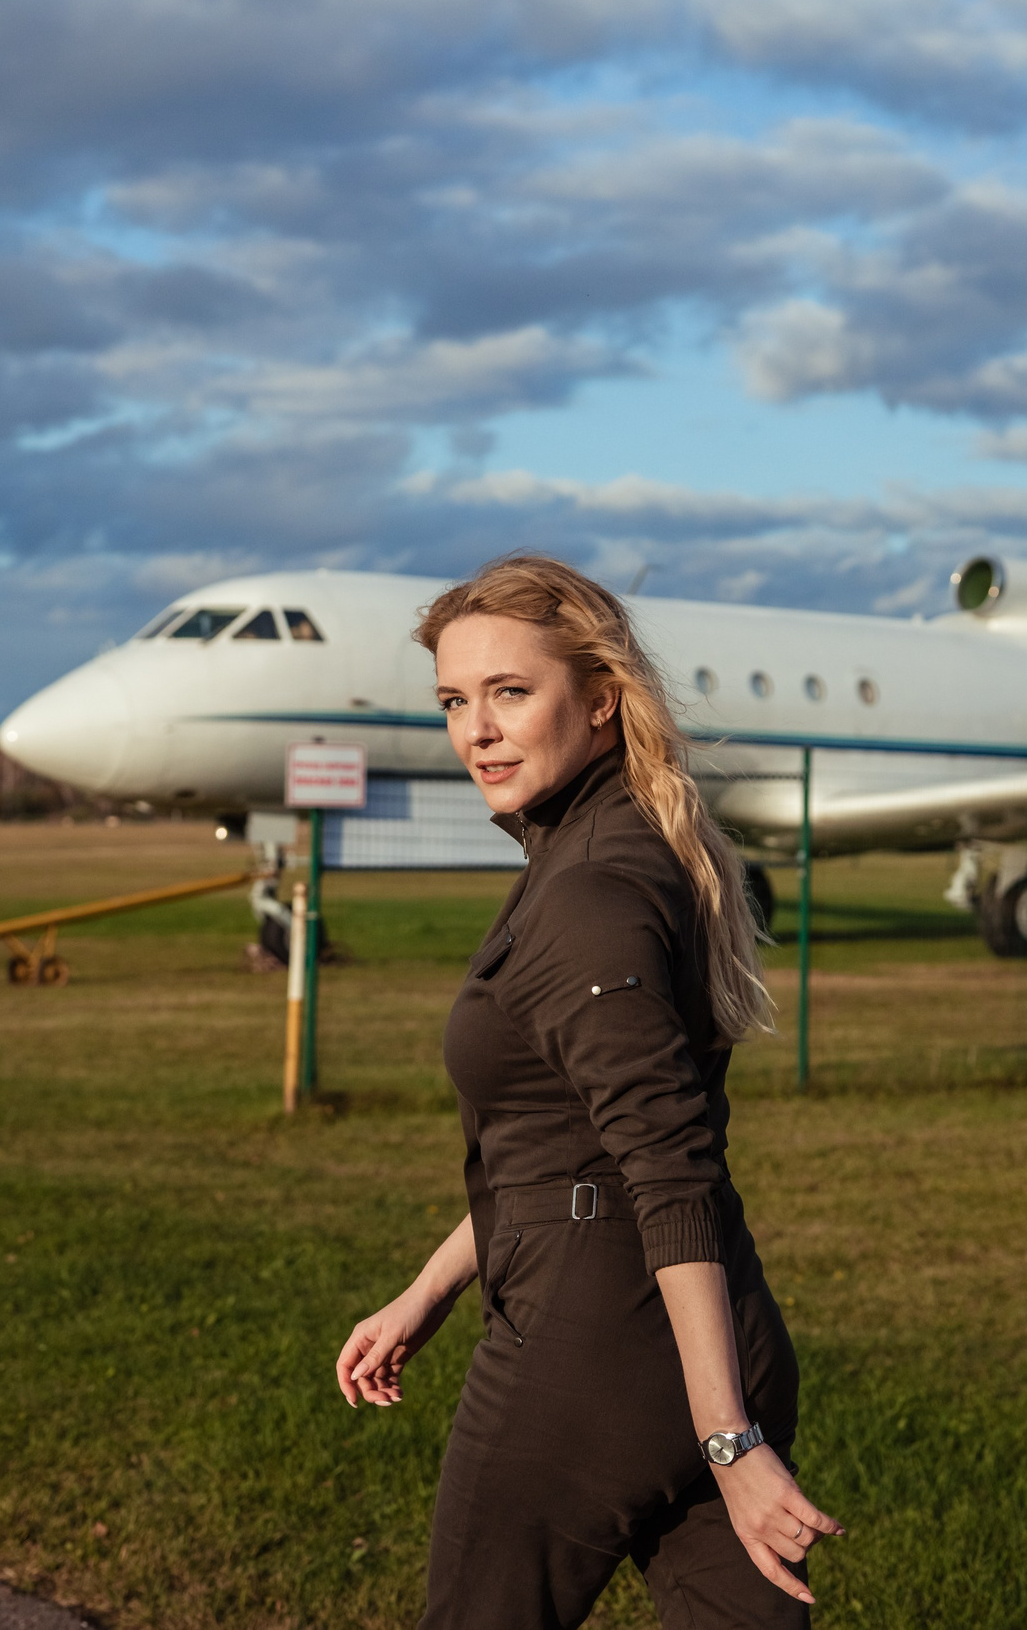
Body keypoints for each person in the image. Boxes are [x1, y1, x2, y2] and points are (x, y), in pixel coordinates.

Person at [333, 555, 843, 1629]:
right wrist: (428, 1291)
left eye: (510, 693)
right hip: (715, 1335)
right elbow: (573, 1144)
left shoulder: (590, 888)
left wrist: (728, 1440)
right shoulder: (611, 847)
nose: (477, 731)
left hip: (594, 1358)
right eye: (454, 702)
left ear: (602, 699)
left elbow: (666, 1168)